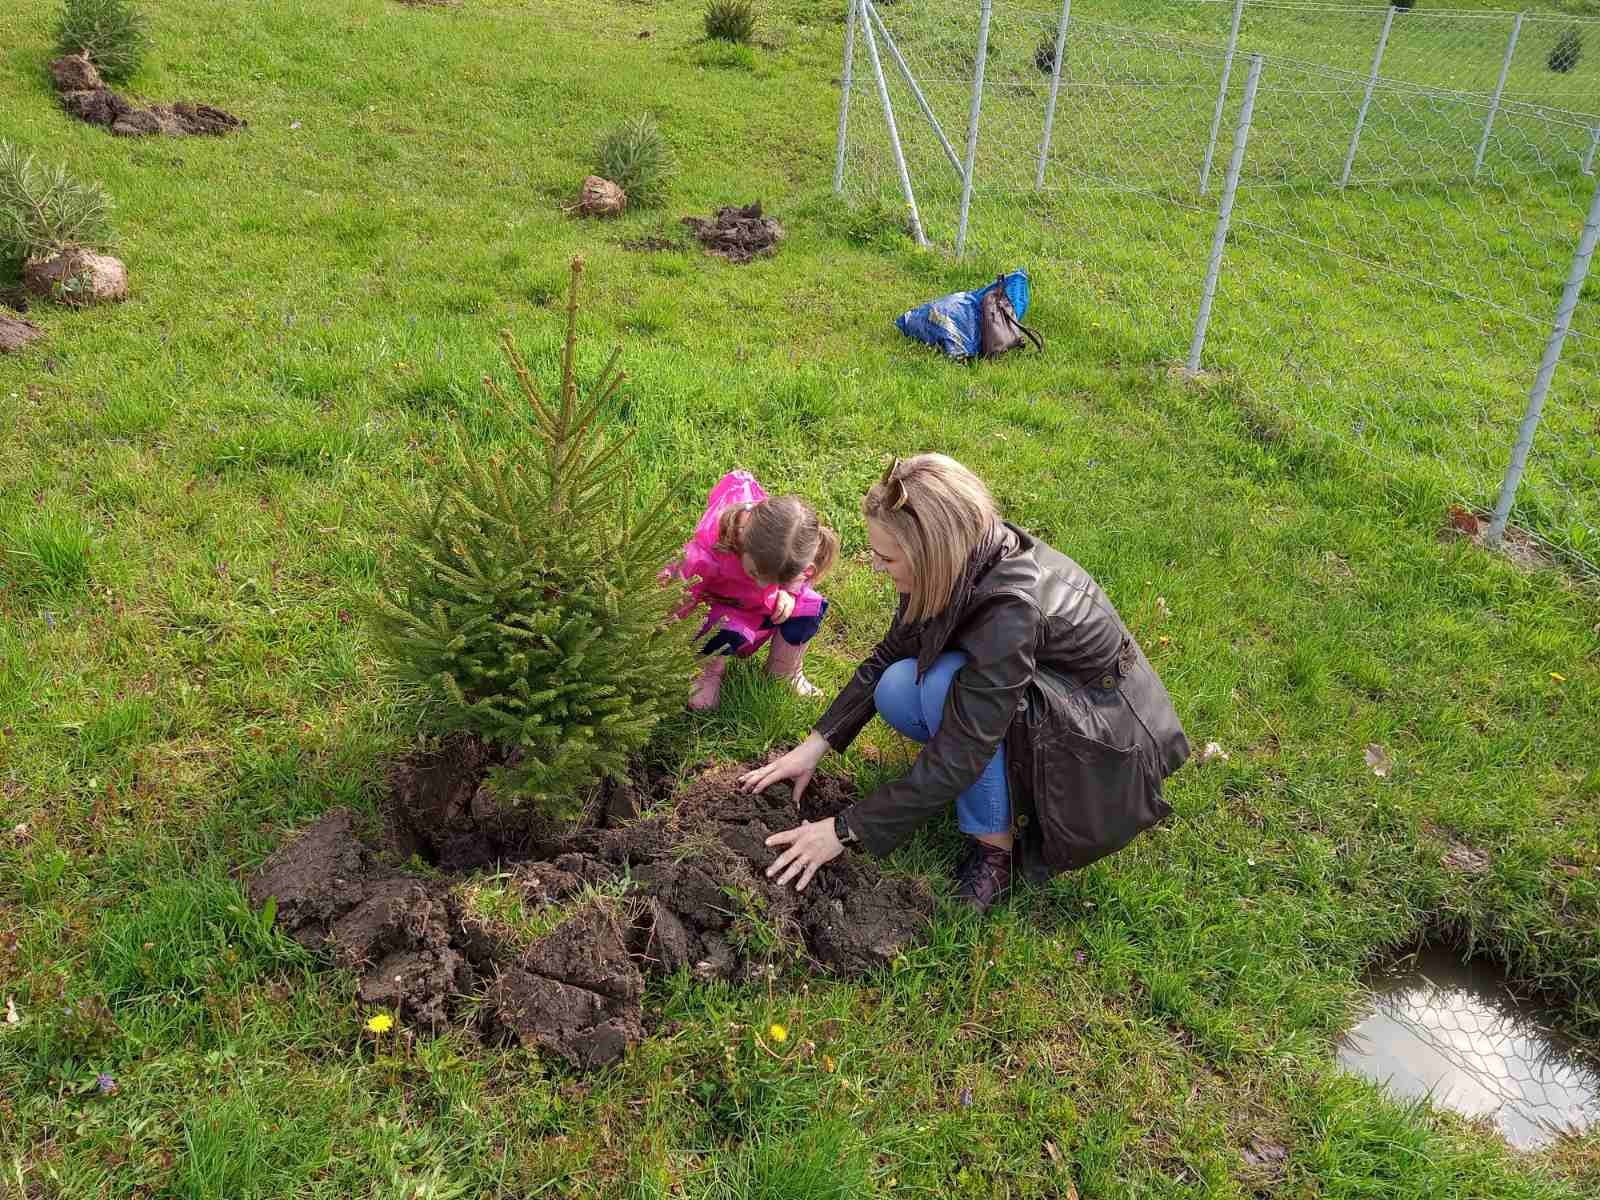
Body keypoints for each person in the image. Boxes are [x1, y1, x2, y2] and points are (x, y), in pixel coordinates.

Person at [741, 454, 1190, 911]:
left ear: (930, 551)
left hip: (1100, 748)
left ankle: (995, 849)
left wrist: (844, 830)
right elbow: (891, 652)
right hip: (1048, 706)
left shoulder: (1011, 608)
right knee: (897, 685)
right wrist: (816, 744)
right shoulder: (957, 560)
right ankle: (993, 783)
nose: (876, 566)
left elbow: (962, 750)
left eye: (886, 557)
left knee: (944, 689)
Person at [664, 469, 839, 711]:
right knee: (726, 627)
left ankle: (786, 671)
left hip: (766, 609)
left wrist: (789, 592)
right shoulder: (709, 554)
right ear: (743, 545)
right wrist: (669, 637)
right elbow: (676, 597)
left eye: (776, 580)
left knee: (810, 605)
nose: (763, 585)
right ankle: (707, 673)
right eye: (755, 574)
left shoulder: (789, 550)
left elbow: (798, 575)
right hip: (725, 612)